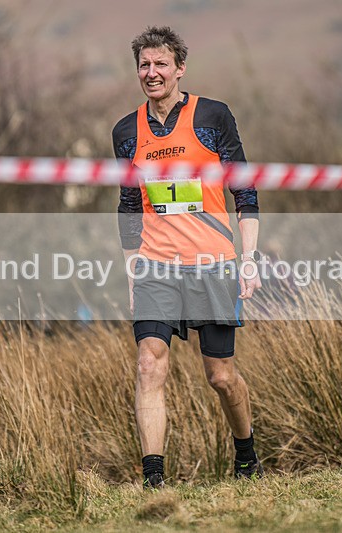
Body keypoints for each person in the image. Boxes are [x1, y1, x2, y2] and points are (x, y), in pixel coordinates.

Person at [112, 26, 264, 489]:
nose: (151, 73)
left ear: (180, 68)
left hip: (213, 262)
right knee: (148, 362)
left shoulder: (212, 117)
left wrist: (250, 258)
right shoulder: (125, 131)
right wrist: (132, 272)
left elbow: (245, 190)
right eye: (144, 65)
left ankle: (246, 456)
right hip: (156, 264)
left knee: (220, 376)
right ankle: (153, 479)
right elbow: (129, 206)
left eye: (161, 64)